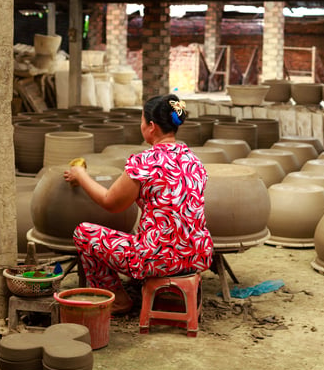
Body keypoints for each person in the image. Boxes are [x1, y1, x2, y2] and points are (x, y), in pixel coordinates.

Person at [64, 94, 213, 314]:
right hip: (198, 253)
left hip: (158, 258)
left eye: (142, 120)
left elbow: (111, 203)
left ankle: (118, 301)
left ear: (151, 127)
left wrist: (81, 175)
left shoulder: (144, 162)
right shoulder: (194, 160)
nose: (140, 125)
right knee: (145, 228)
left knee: (84, 234)